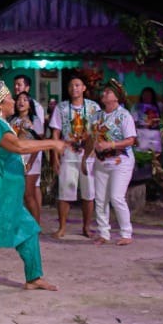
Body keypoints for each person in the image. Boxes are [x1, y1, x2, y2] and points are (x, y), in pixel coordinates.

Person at [0, 82, 69, 298]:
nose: (13, 101)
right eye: (9, 98)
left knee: (27, 230)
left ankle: (34, 277)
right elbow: (18, 146)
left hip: (6, 193)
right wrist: (52, 144)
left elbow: (9, 151)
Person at [90, 79, 139, 246]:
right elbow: (91, 139)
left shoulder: (124, 115)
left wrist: (111, 144)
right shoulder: (97, 115)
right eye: (104, 92)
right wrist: (85, 159)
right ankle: (103, 232)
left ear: (117, 97)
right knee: (100, 198)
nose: (104, 94)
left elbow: (131, 140)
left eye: (108, 92)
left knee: (116, 196)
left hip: (121, 161)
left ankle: (126, 232)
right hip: (101, 161)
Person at [51, 75, 99, 238]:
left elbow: (99, 131)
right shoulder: (62, 108)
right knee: (65, 192)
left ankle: (86, 227)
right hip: (68, 154)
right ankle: (62, 227)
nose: (74, 89)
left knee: (89, 192)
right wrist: (55, 157)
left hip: (88, 157)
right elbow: (56, 133)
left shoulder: (93, 107)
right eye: (71, 86)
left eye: (78, 85)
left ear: (84, 88)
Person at [9, 91, 46, 225]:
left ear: (30, 104)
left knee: (28, 194)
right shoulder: (12, 120)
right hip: (14, 159)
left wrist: (30, 162)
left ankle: (36, 224)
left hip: (31, 159)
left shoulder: (35, 120)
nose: (21, 102)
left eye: (25, 99)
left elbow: (38, 143)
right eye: (19, 99)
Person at [131, 86, 163, 155]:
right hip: (142, 133)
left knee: (156, 156)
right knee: (141, 156)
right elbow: (133, 123)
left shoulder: (158, 105)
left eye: (149, 95)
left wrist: (159, 97)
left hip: (155, 134)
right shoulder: (136, 106)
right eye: (145, 95)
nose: (147, 97)